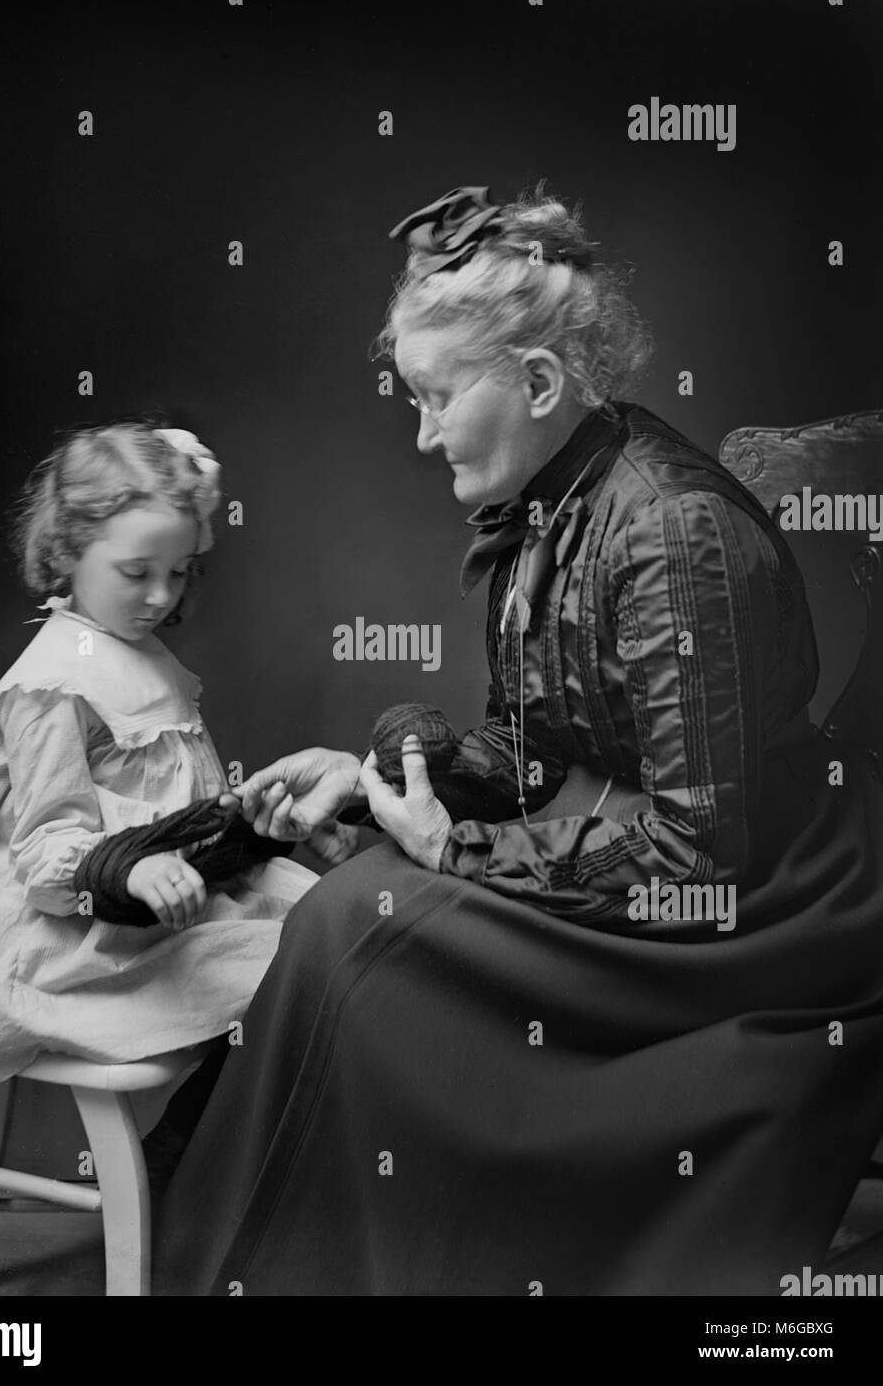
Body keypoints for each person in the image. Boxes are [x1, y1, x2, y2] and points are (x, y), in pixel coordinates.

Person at [152, 187, 883, 1296]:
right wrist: (375, 782)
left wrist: (456, 852)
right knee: (350, 910)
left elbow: (701, 850)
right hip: (666, 848)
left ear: (539, 384)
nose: (423, 429)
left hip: (773, 898)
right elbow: (534, 749)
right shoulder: (555, 502)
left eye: (438, 397)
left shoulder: (673, 532)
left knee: (365, 919)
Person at [0, 422, 322, 1087]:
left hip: (166, 901)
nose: (160, 596)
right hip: (69, 926)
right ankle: (181, 1156)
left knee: (322, 935)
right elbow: (43, 851)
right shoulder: (54, 684)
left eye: (177, 572)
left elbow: (177, 805)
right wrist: (127, 875)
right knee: (280, 967)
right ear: (68, 550)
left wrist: (244, 830)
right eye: (136, 572)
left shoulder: (143, 655)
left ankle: (206, 1152)